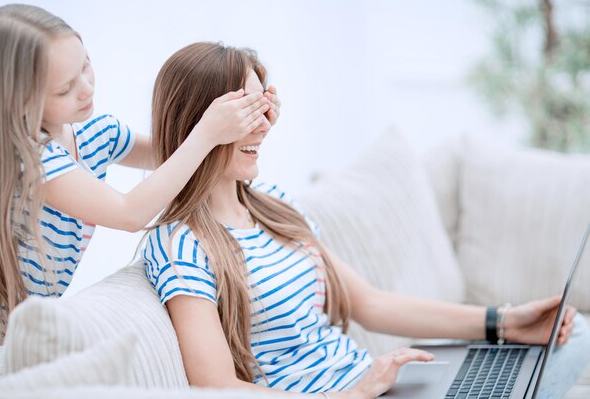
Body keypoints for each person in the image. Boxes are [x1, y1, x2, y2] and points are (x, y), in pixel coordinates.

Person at [141, 41, 590, 399]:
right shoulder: (181, 243)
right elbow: (215, 387)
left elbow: (370, 303)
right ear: (201, 123)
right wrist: (349, 395)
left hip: (375, 385)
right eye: (245, 112)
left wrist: (504, 322)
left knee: (575, 338)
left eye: (265, 108)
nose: (263, 126)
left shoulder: (272, 205)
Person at [0, 4, 281, 353]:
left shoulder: (96, 133)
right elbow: (131, 213)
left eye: (85, 65)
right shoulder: (32, 164)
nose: (86, 88)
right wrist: (208, 132)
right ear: (18, 101)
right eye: (65, 88)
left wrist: (252, 124)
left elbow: (177, 151)